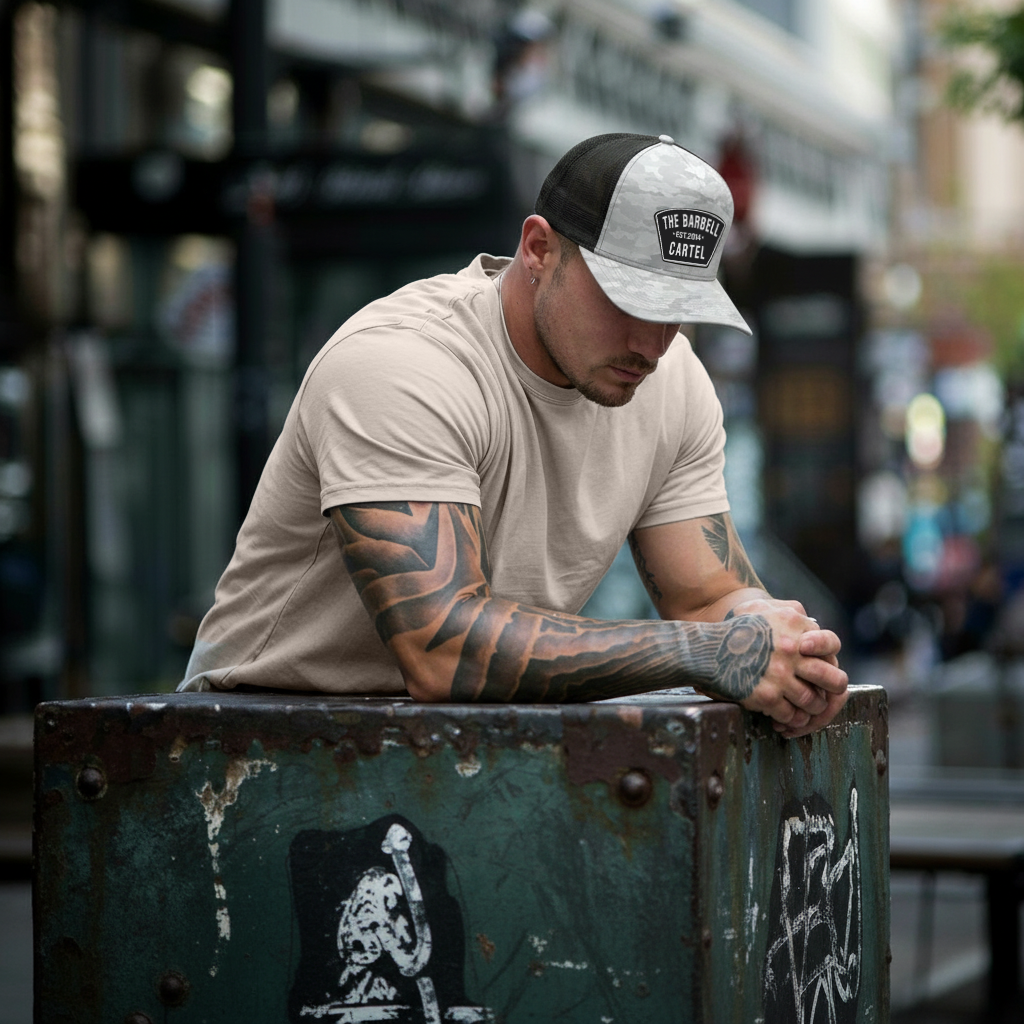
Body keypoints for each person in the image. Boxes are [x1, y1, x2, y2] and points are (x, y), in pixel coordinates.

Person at [179, 132, 847, 739]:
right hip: (253, 738)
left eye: (678, 310)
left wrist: (779, 645)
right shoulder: (402, 363)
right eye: (629, 299)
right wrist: (711, 654)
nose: (651, 342)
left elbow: (709, 597)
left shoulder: (672, 380)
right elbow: (442, 647)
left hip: (475, 742)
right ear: (538, 249)